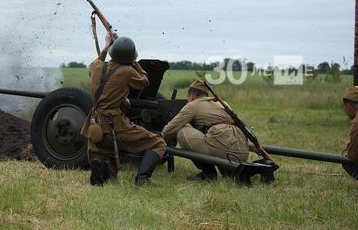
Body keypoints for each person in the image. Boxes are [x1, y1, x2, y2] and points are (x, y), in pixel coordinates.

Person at [80, 33, 167, 186]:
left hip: (95, 123)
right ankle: (142, 179)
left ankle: (99, 166)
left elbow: (98, 61)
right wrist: (134, 62)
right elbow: (144, 81)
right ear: (130, 58)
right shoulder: (127, 71)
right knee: (158, 143)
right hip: (115, 124)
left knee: (105, 154)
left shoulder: (96, 66)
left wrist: (106, 46)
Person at [162, 79, 249, 181]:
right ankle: (228, 173)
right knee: (213, 137)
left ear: (192, 95)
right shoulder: (222, 103)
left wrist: (161, 141)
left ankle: (208, 173)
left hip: (222, 149)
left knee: (182, 131)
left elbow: (169, 130)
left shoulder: (193, 105)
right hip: (242, 152)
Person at [342, 86, 358, 162]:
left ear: (347, 106)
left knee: (348, 164)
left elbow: (353, 157)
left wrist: (350, 149)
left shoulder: (356, 123)